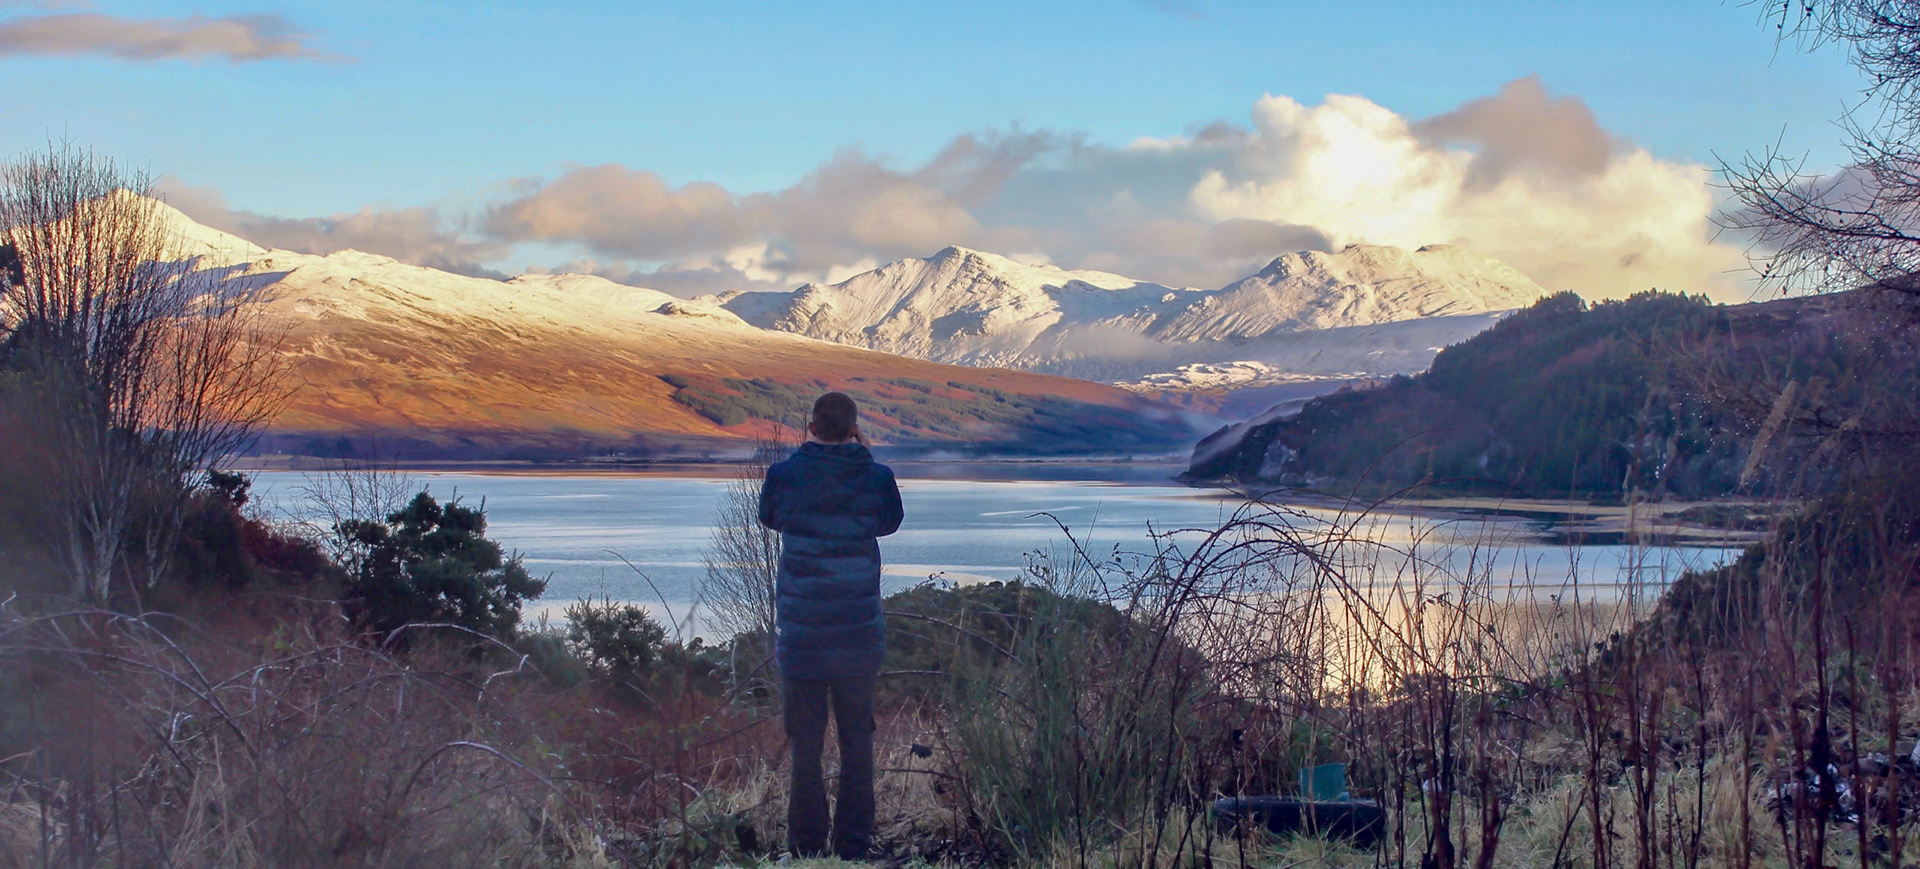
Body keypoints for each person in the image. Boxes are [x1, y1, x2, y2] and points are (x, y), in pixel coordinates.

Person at [758, 391, 904, 861]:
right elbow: (889, 521)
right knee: (857, 742)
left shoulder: (784, 476)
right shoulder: (876, 476)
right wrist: (863, 458)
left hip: (802, 637)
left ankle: (805, 848)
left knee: (806, 745)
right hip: (859, 635)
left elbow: (769, 516)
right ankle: (853, 847)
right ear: (853, 427)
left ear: (812, 425)